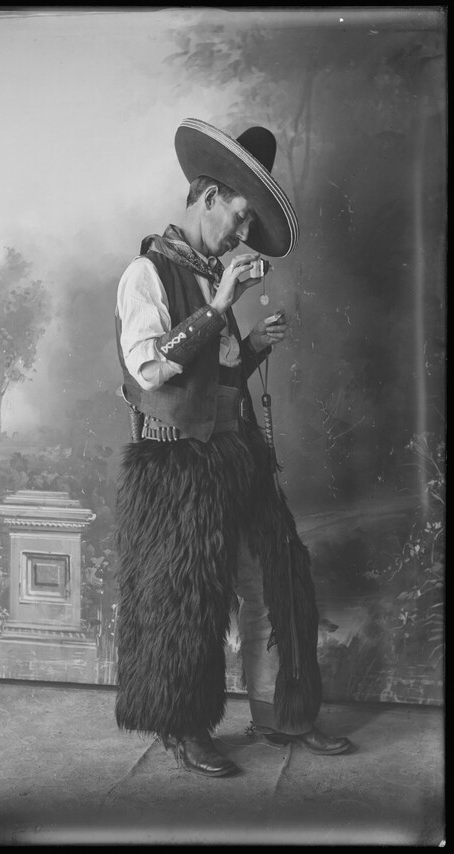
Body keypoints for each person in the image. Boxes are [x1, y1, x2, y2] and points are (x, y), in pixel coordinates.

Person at [114, 117, 353, 778]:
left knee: (277, 575)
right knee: (187, 598)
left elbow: (213, 381)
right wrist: (222, 303)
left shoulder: (212, 273)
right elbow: (150, 370)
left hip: (236, 453)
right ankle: (182, 728)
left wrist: (251, 350)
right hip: (179, 465)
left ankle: (286, 714)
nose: (242, 235)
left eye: (250, 226)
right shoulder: (147, 274)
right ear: (206, 196)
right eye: (240, 218)